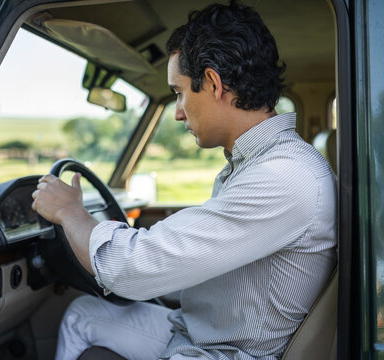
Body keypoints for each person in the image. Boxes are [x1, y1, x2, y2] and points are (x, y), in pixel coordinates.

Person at [31, 1, 337, 359]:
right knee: (83, 314)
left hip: (224, 352)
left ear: (212, 83)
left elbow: (131, 269)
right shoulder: (261, 164)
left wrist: (72, 213)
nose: (177, 113)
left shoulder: (284, 177)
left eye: (178, 92)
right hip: (200, 330)